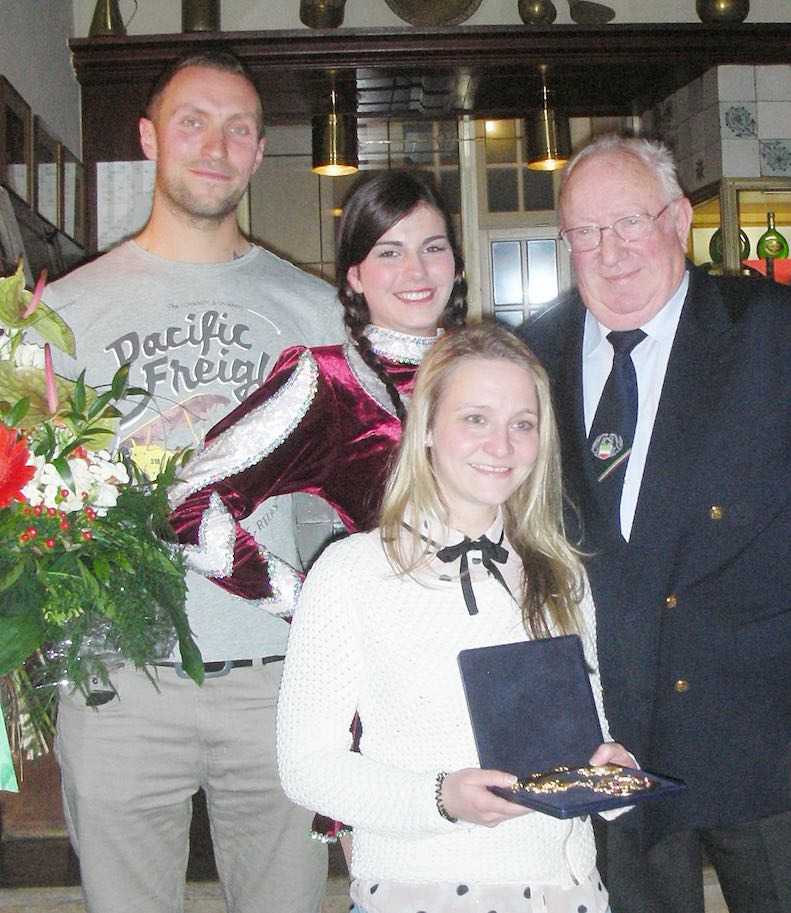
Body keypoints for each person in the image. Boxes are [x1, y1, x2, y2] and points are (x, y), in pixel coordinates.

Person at [520, 134, 791, 913]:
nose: (609, 251)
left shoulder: (782, 332)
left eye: (630, 222)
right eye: (584, 231)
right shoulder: (530, 353)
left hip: (763, 730)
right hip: (602, 737)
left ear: (679, 219)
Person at [43, 50, 341, 913]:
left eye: (238, 128)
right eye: (192, 122)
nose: (216, 145)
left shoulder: (315, 313)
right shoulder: (64, 312)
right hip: (116, 679)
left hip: (278, 679)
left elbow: (344, 511)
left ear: (257, 153)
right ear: (149, 139)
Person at [275, 322, 635, 913]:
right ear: (427, 430)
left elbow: (582, 743)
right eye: (476, 419)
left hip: (566, 892)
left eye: (523, 423)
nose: (502, 445)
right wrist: (440, 799)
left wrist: (610, 778)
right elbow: (307, 769)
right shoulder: (352, 572)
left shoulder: (560, 572)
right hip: (420, 894)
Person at [167, 168, 467, 841]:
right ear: (355, 274)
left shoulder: (500, 360)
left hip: (509, 659)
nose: (416, 269)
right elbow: (188, 503)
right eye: (388, 251)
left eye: (433, 245)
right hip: (400, 679)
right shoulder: (329, 381)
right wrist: (313, 603)